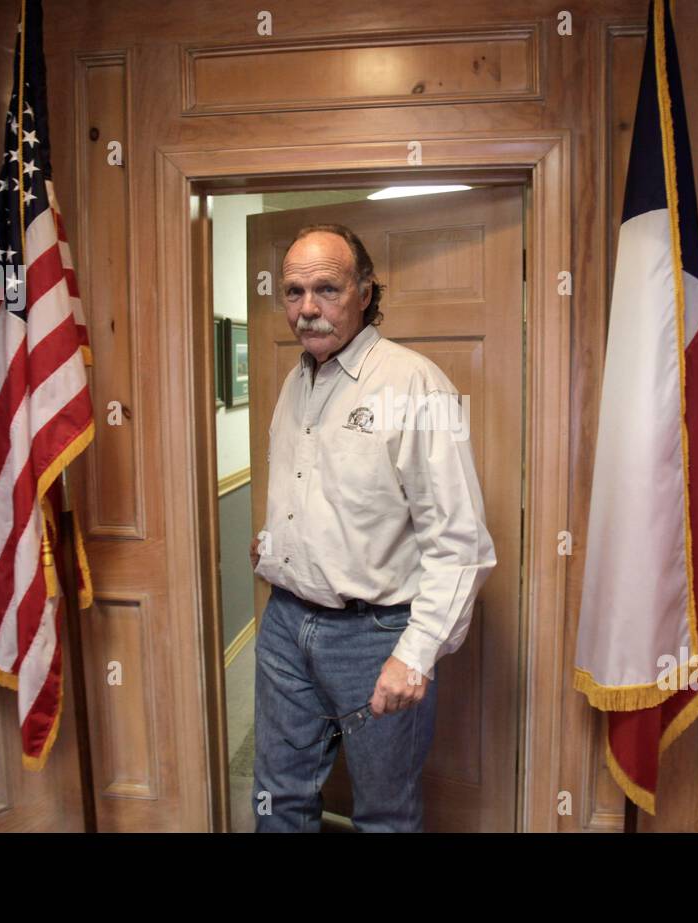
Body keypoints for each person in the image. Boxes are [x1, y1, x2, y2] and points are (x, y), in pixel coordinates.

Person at [249, 224, 495, 832]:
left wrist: (415, 654)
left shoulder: (414, 383)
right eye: (293, 292)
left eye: (327, 289)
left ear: (364, 291)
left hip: (376, 634)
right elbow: (319, 495)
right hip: (285, 625)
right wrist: (280, 546)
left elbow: (459, 542)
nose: (308, 309)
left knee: (385, 813)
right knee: (279, 798)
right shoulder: (295, 380)